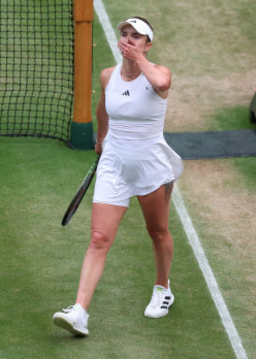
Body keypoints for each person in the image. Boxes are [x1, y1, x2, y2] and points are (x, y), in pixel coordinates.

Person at [52, 17, 183, 336]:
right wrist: (101, 140)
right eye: (125, 35)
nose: (128, 40)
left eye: (136, 37)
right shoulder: (108, 76)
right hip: (114, 165)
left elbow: (162, 85)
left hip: (151, 167)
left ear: (147, 44)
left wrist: (139, 60)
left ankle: (163, 288)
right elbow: (104, 108)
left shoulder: (159, 74)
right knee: (99, 238)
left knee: (158, 231)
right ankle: (80, 311)